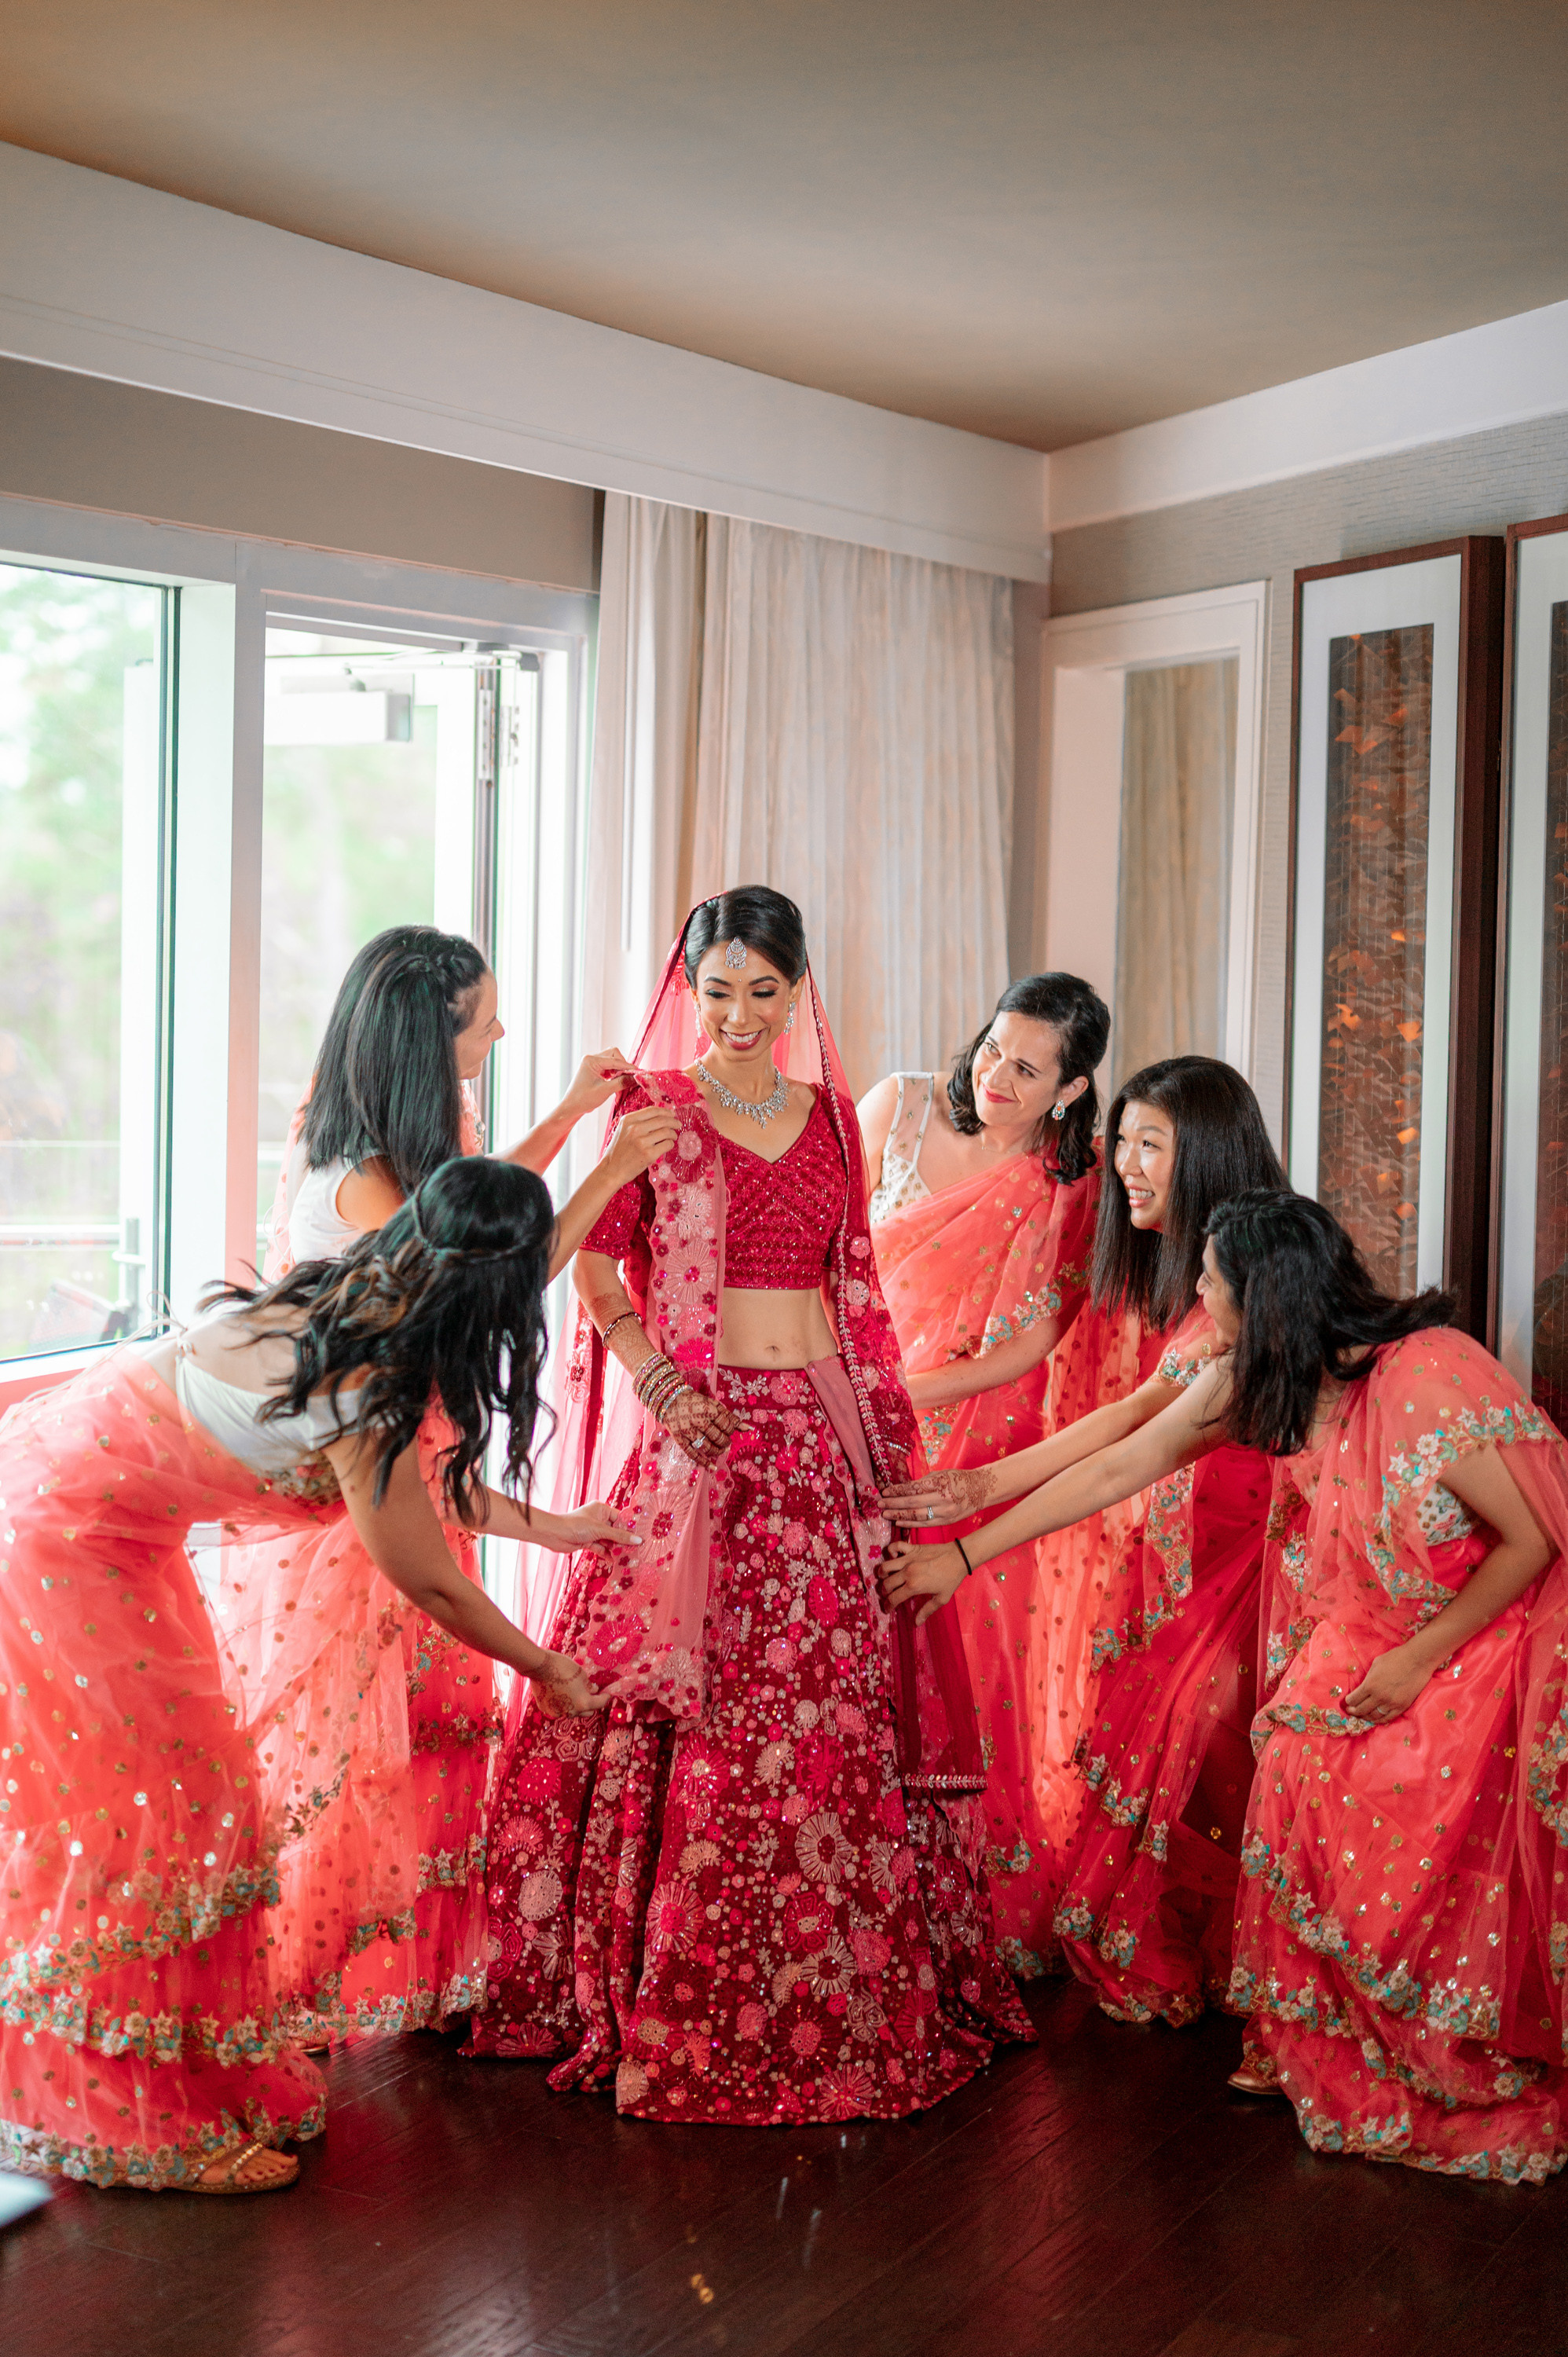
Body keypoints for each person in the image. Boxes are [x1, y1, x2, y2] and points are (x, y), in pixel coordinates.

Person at [468, 886, 1032, 2122]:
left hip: (818, 1439)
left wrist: (881, 1448)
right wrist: (662, 1383)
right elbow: (598, 1273)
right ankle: (676, 1977)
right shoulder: (655, 1110)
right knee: (704, 1702)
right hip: (700, 1439)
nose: (736, 1014)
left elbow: (854, 1291)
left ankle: (831, 1984)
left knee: (826, 1707)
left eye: (762, 991)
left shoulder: (831, 1117)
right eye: (716, 989)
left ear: (796, 993)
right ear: (691, 988)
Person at [887, 1191, 1568, 2179]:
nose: (1198, 1298)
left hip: (1477, 1630)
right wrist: (963, 1552)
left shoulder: (1423, 1378)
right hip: (1368, 1623)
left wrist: (1420, 1659)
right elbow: (1123, 1462)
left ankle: (1427, 2025)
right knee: (1292, 1759)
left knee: (1362, 1763)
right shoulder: (1263, 1378)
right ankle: (1328, 2025)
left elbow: (1531, 1542)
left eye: (1212, 1283)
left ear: (1268, 1299)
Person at [0, 1157, 639, 2194]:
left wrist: (558, 1530)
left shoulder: (368, 1294)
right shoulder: (372, 1383)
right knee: (156, 1816)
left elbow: (416, 1495)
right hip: (59, 1548)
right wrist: (546, 1666)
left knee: (200, 1801)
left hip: (108, 1533)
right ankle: (135, 2123)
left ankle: (188, 2075)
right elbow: (426, 1575)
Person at [255, 924, 674, 2047]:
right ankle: (303, 1998)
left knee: (430, 1726)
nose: (499, 1033)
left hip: (411, 1442)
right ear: (426, 1040)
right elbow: (501, 1272)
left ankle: (423, 1978)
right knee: (353, 1751)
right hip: (358, 1489)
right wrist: (609, 1169)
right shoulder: (356, 1183)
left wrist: (572, 1117)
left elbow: (476, 1211)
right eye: (484, 1022)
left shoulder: (397, 1141)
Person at [885, 1056, 1287, 1969]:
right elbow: (1136, 1412)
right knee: (1199, 1752)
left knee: (1218, 1746)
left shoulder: (1256, 1282)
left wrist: (968, 1549)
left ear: (1208, 1151)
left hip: (1260, 1557)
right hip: (1203, 1542)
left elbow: (1132, 1455)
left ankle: (1260, 1966)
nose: (1126, 1167)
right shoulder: (1213, 1270)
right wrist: (980, 1485)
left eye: (1152, 1145)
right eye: (1124, 1142)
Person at [859, 974, 1108, 1974]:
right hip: (843, 1401)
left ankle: (948, 1891)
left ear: (1071, 1090)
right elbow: (824, 1255)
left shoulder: (1067, 1183)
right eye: (993, 1048)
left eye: (1028, 1070)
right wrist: (847, 1388)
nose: (995, 1077)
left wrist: (900, 1394)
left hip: (970, 1434)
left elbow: (1034, 1342)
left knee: (959, 1648)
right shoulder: (898, 1105)